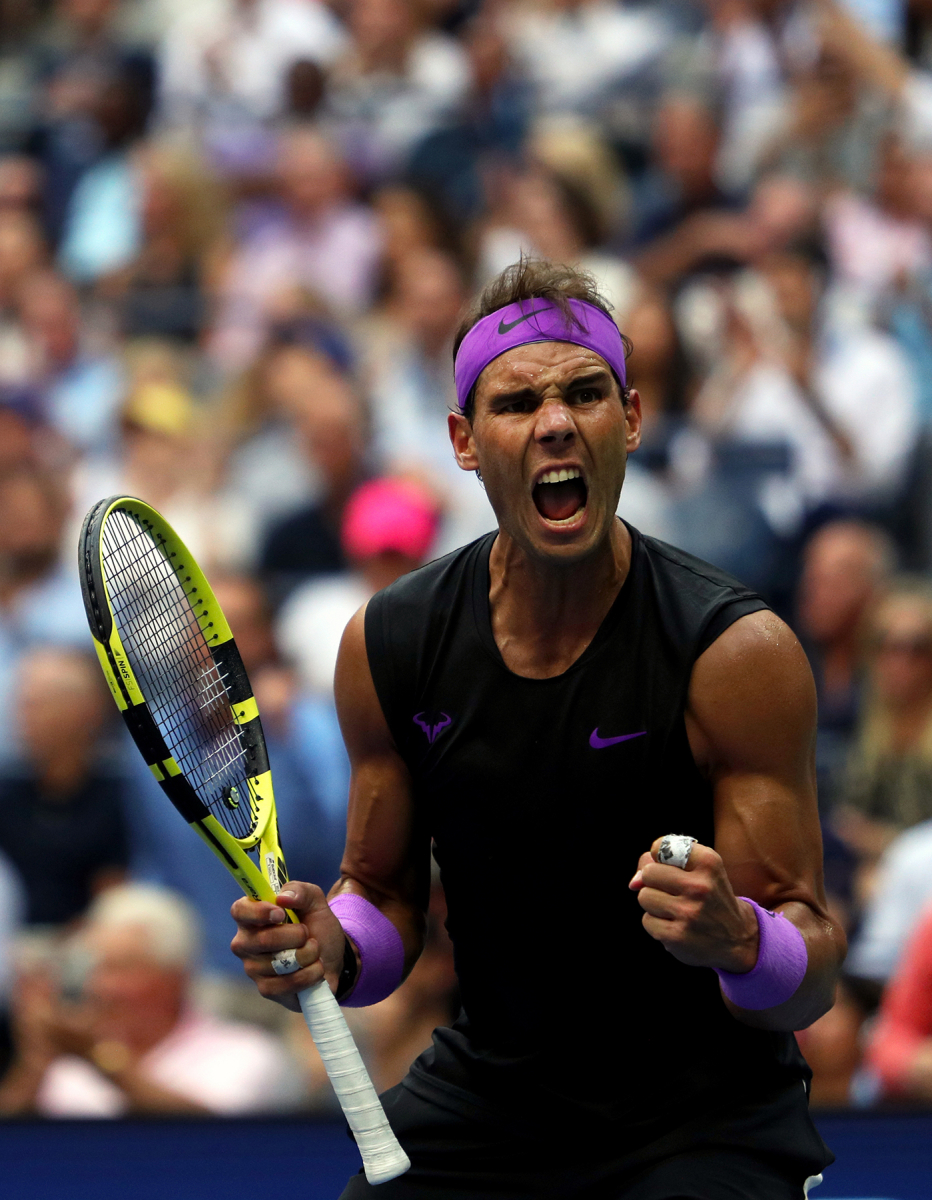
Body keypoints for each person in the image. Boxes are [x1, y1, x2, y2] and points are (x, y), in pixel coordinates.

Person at [231, 259, 843, 1198]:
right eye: (518, 404)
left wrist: (744, 940)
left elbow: (811, 976)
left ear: (630, 420)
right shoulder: (391, 642)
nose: (556, 421)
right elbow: (382, 895)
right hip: (494, 1099)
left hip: (703, 1115)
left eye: (585, 393)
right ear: (465, 442)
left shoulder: (736, 655)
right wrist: (336, 946)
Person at [0, 884, 305, 1115]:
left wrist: (101, 1057)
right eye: (97, 969)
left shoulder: (248, 1056)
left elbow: (212, 1143)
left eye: (121, 969)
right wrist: (37, 1057)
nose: (102, 987)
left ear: (174, 977)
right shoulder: (68, 1065)